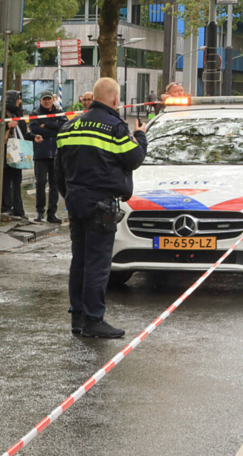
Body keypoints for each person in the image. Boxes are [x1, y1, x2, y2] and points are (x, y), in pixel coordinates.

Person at [55, 77, 147, 339]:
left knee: (80, 261)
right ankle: (94, 320)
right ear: (116, 100)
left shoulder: (69, 126)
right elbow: (135, 158)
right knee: (97, 263)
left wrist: (70, 195)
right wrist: (140, 135)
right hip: (101, 204)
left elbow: (58, 169)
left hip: (76, 201)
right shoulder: (115, 127)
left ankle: (78, 318)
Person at [0, 90, 40, 220]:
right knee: (6, 181)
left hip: (17, 153)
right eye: (18, 99)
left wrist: (33, 137)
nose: (20, 101)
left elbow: (23, 133)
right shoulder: (1, 113)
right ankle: (6, 208)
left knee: (17, 181)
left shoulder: (18, 114)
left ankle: (18, 209)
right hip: (7, 152)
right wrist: (7, 125)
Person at [29, 90, 64, 224]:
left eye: (49, 99)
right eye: (45, 99)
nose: (47, 101)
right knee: (40, 183)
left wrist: (46, 125)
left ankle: (52, 213)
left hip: (56, 154)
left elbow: (63, 127)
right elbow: (35, 130)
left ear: (52, 100)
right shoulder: (35, 114)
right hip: (41, 154)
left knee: (55, 185)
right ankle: (39, 212)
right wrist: (53, 130)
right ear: (40, 101)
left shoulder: (59, 112)